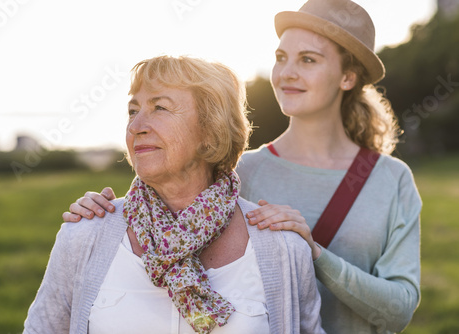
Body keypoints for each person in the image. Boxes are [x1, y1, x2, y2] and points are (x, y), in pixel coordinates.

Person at [62, 0, 422, 333]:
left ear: (348, 77)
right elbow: (163, 219)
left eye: (308, 60)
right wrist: (104, 216)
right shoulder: (239, 174)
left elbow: (400, 310)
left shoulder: (390, 180)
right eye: (281, 57)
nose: (287, 73)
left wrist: (314, 253)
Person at [24, 55, 324, 334]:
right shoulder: (85, 234)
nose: (136, 126)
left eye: (160, 108)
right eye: (132, 111)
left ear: (211, 130)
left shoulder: (282, 248)